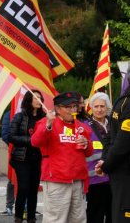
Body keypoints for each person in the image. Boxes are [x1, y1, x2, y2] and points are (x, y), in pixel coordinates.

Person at [31, 91, 93, 223]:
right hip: (57, 180)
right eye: (68, 107)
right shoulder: (47, 123)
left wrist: (86, 144)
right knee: (56, 220)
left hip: (78, 180)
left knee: (78, 219)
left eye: (74, 106)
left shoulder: (81, 127)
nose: (72, 110)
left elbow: (89, 152)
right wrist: (48, 124)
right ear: (58, 109)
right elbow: (35, 142)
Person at [9, 90, 46, 223]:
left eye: (40, 98)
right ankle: (18, 217)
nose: (39, 100)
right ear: (29, 100)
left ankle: (31, 218)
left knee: (33, 189)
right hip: (21, 159)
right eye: (36, 97)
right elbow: (11, 136)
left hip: (37, 159)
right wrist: (30, 140)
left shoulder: (44, 117)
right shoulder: (20, 116)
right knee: (23, 188)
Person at [96, 86, 130, 223]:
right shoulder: (124, 103)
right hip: (124, 173)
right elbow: (118, 141)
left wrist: (106, 163)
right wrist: (106, 163)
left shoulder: (122, 102)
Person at [85, 92, 112, 223]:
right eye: (96, 106)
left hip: (113, 178)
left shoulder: (115, 124)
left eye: (102, 106)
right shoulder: (84, 126)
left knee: (113, 213)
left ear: (108, 108)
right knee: (95, 215)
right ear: (91, 108)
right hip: (94, 179)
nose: (99, 109)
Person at [0, 110, 15, 217]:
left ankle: (28, 206)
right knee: (12, 178)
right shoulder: (9, 114)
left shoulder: (36, 113)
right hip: (15, 150)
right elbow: (5, 134)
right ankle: (9, 205)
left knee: (31, 180)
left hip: (32, 152)